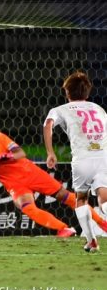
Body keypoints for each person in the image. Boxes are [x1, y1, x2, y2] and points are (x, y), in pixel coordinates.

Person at [0, 112, 107, 237]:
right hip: (14, 184)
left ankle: (101, 222)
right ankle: (63, 229)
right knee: (26, 206)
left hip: (30, 173)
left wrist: (8, 156)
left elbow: (20, 152)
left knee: (64, 196)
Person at [44, 71, 107, 252]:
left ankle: (91, 241)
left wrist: (50, 153)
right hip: (103, 156)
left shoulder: (59, 110)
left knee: (81, 198)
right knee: (104, 198)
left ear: (66, 92)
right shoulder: (98, 109)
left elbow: (47, 125)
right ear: (87, 92)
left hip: (82, 159)